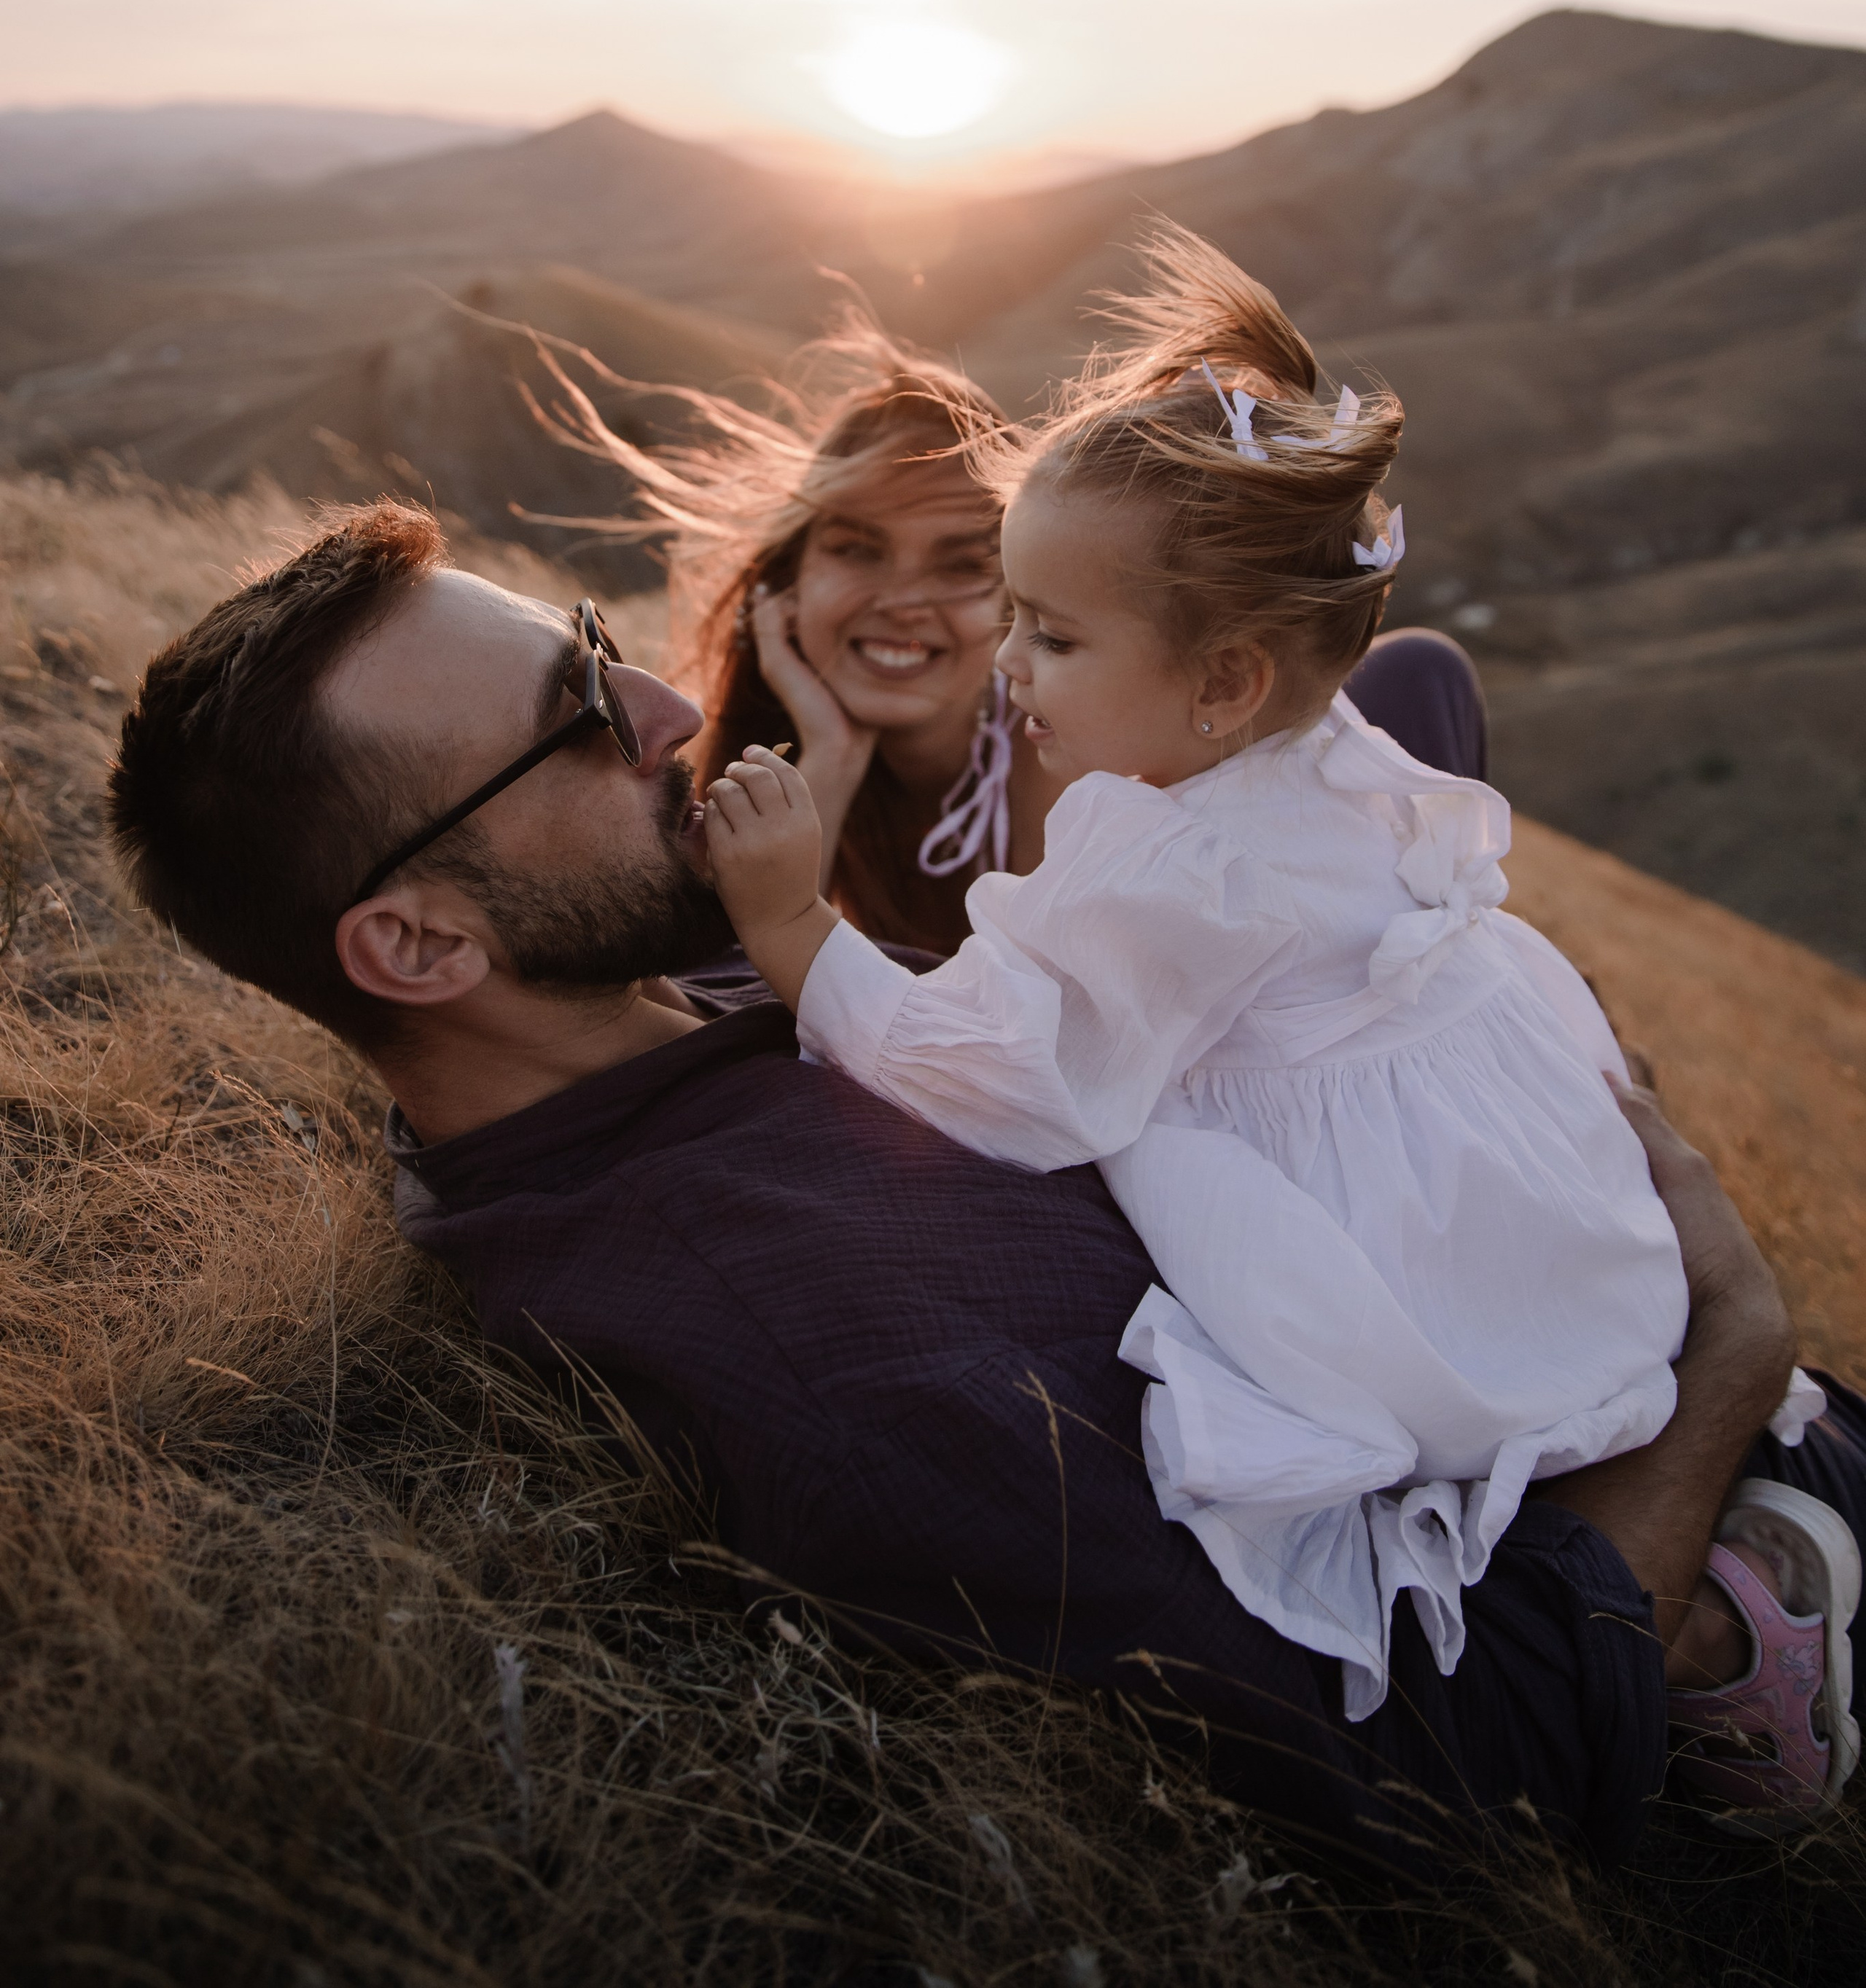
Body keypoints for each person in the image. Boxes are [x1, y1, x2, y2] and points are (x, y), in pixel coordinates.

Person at [104, 502, 1866, 1853]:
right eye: (573, 711)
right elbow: (1477, 1756)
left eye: (591, 642)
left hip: (1539, 1338)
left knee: (1400, 698)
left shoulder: (665, 1001)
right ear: (419, 945)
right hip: (1754, 1513)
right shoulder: (823, 1344)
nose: (660, 703)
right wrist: (1731, 1331)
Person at [703, 226, 1849, 1788]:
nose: (1006, 663)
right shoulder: (1314, 754)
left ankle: (1711, 1656)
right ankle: (1737, 1571)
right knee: (1553, 1416)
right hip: (1511, 1197)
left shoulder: (1159, 858)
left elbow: (995, 1079)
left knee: (1384, 1462)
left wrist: (790, 927)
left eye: (1047, 632)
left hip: (1395, 1250)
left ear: (1225, 681)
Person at [541, 318, 1488, 956]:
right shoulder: (763, 780)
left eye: (962, 562)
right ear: (790, 579)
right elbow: (735, 1003)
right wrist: (828, 758)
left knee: (1419, 675)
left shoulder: (1107, 753)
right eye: (858, 549)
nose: (901, 600)